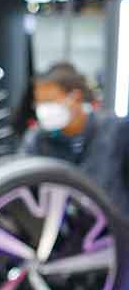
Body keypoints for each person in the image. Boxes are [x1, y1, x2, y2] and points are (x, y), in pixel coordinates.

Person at [21, 63, 129, 214]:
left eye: (49, 101)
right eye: (39, 103)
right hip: (60, 226)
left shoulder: (116, 131)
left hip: (113, 224)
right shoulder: (37, 140)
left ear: (75, 97)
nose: (43, 109)